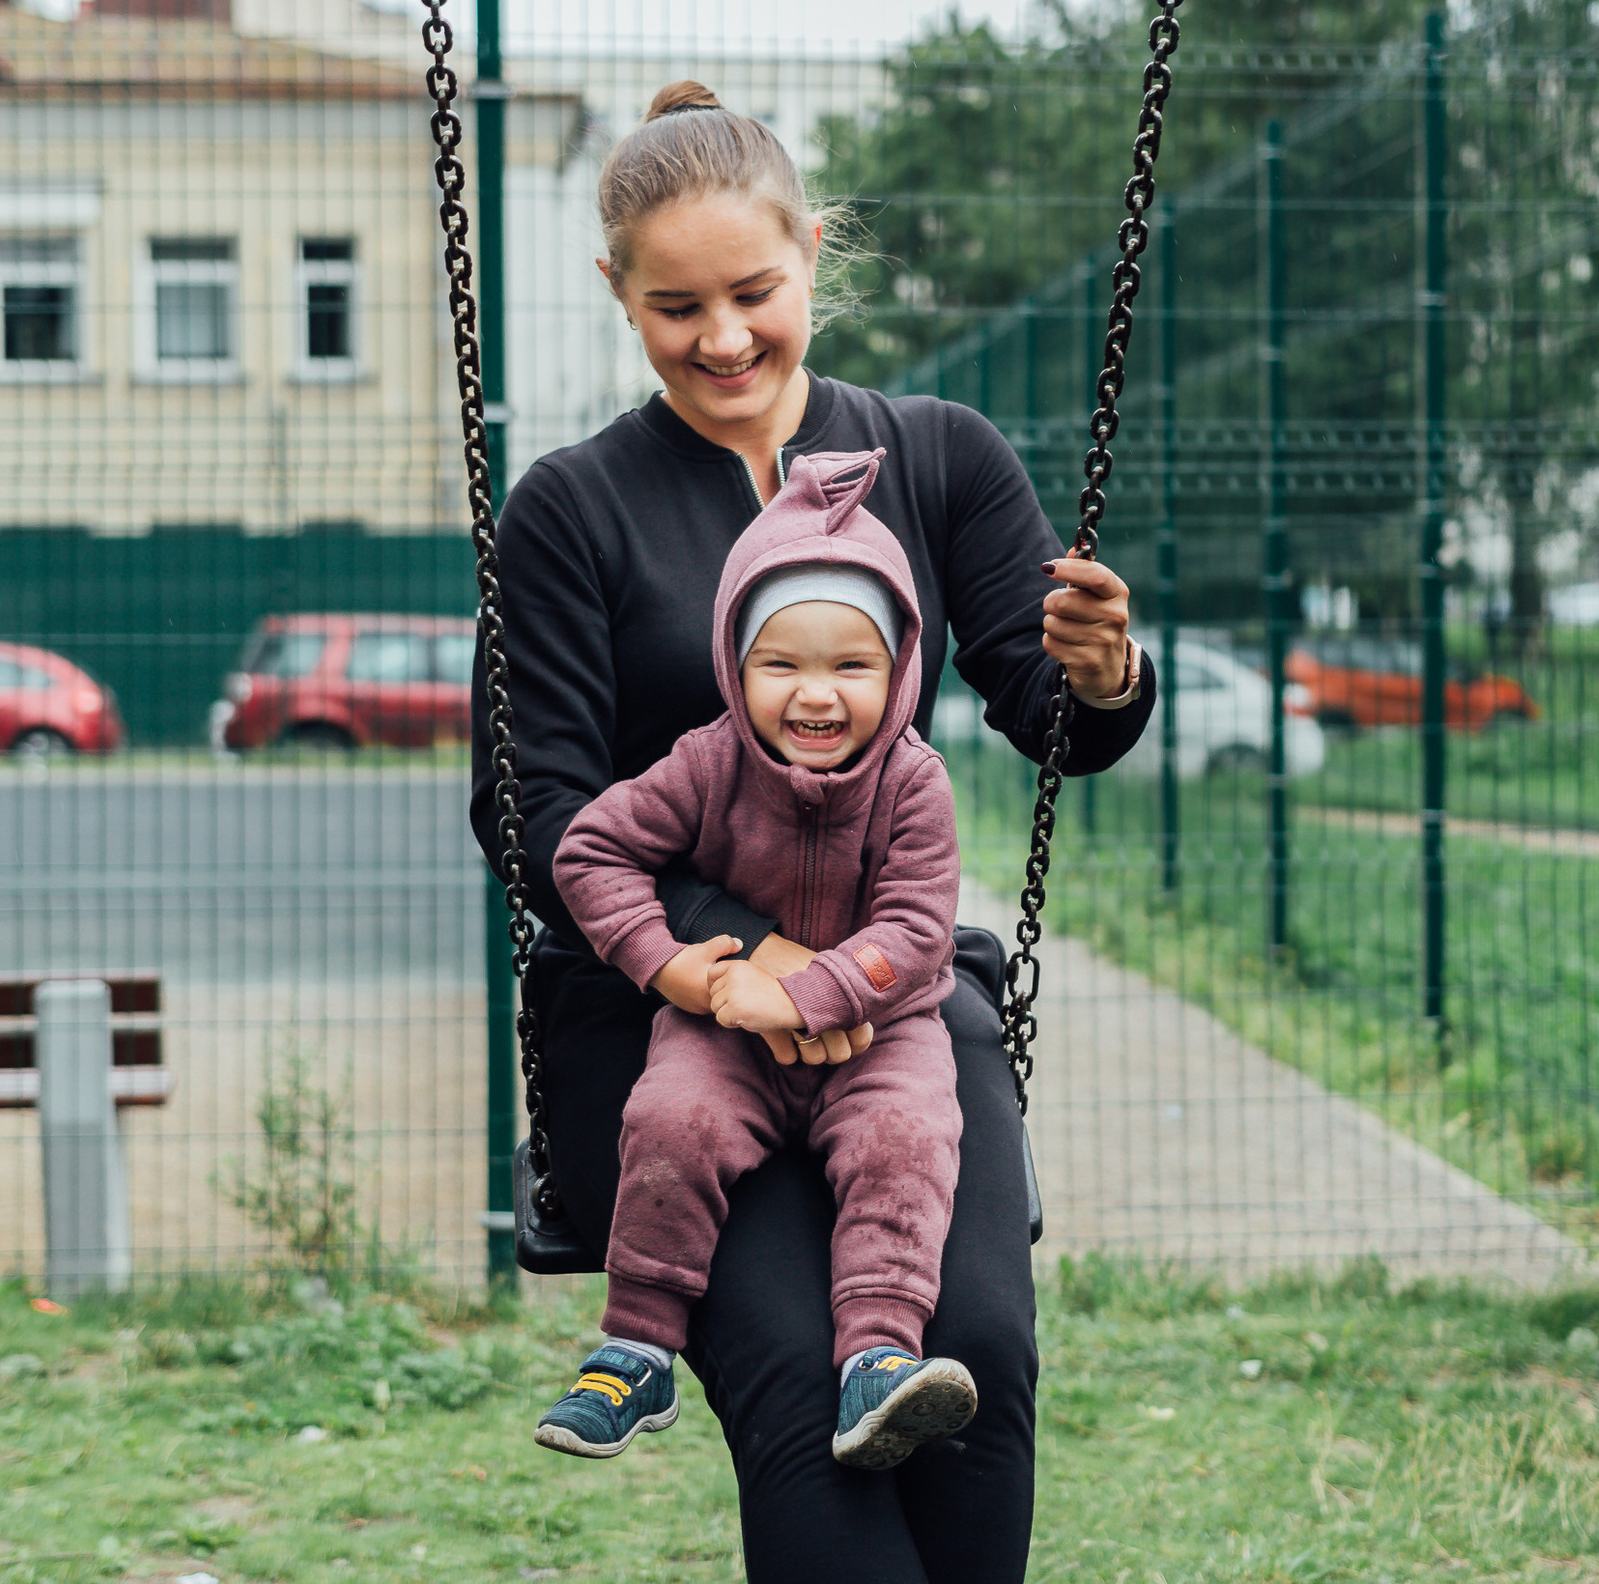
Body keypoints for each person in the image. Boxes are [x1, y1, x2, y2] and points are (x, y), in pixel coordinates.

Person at [482, 79, 1152, 1584]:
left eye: (754, 293)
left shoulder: (939, 458)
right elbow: (532, 809)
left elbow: (1052, 713)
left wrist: (1105, 674)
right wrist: (741, 956)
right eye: (676, 307)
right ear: (618, 293)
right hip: (658, 1016)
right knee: (797, 1377)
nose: (722, 338)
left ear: (814, 257)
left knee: (974, 1354)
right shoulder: (572, 510)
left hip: (892, 1009)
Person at [535, 448, 977, 1471]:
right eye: (782, 666)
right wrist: (670, 967)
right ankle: (636, 1347)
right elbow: (589, 851)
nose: (816, 695)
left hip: (878, 1034)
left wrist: (807, 993)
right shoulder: (707, 763)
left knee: (909, 1137)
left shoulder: (914, 783)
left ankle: (878, 1359)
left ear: (901, 672)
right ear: (735, 668)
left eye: (852, 667)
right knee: (669, 1118)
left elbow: (916, 930)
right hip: (721, 1029)